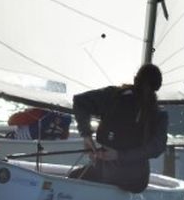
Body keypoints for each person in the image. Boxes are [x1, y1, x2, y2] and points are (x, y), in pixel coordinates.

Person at [69, 63, 168, 192]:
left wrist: (86, 135)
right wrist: (119, 155)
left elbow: (79, 101)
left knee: (74, 176)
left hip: (105, 173)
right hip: (135, 181)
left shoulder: (113, 95)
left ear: (135, 79)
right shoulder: (159, 114)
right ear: (157, 87)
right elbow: (157, 147)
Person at [8, 107, 72, 141]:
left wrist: (26, 112)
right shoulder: (66, 118)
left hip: (21, 141)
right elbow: (64, 137)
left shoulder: (37, 112)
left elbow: (10, 121)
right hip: (47, 143)